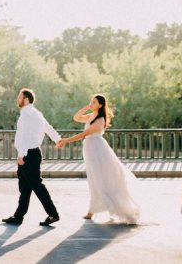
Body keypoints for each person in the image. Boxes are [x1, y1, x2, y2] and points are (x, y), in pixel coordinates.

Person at [56, 94, 141, 224]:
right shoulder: (91, 116)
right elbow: (76, 117)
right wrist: (87, 106)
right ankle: (92, 210)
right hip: (90, 148)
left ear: (100, 105)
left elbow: (85, 134)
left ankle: (94, 211)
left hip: (97, 149)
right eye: (91, 101)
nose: (92, 103)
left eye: (94, 102)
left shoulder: (100, 119)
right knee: (94, 179)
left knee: (99, 179)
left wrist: (66, 140)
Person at [2, 88, 61, 227]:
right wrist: (57, 139)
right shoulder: (36, 113)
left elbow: (25, 136)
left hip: (28, 154)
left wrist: (21, 155)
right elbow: (47, 127)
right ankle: (18, 217)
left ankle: (53, 214)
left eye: (20, 96)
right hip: (33, 153)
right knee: (25, 187)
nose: (17, 99)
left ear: (26, 99)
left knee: (37, 186)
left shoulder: (26, 115)